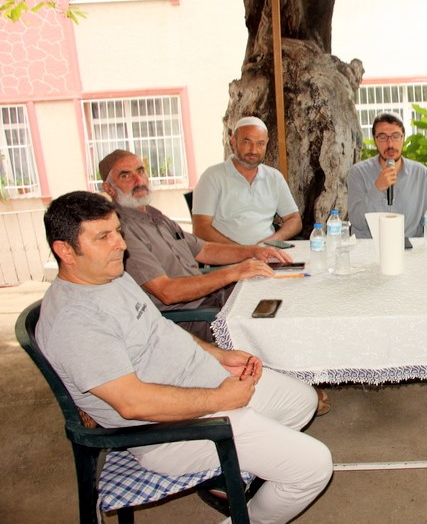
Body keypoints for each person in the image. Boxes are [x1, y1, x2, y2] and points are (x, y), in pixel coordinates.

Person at [37, 191, 332, 523]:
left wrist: (219, 356)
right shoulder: (75, 320)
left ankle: (233, 470)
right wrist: (221, 398)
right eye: (103, 236)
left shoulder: (111, 277)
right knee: (313, 467)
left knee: (302, 402)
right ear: (65, 250)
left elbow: (161, 327)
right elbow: (132, 403)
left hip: (205, 382)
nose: (120, 243)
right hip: (171, 429)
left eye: (118, 231)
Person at [99, 149, 290, 343]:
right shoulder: (121, 232)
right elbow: (167, 292)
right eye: (126, 176)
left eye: (140, 171)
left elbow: (204, 250)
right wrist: (234, 272)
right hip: (190, 319)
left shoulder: (156, 217)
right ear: (109, 188)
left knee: (280, 293)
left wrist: (255, 251)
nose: (138, 180)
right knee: (275, 327)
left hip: (211, 298)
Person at [192, 116, 302, 245]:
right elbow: (201, 229)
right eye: (246, 142)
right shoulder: (212, 177)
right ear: (233, 141)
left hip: (267, 255)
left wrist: (273, 241)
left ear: (267, 143)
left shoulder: (274, 177)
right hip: (229, 258)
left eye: (260, 143)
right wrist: (243, 252)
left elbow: (294, 220)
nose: (253, 150)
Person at [347, 112, 427, 239]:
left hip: (409, 248)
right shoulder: (358, 173)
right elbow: (357, 221)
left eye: (395, 136)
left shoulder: (420, 174)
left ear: (403, 138)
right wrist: (377, 189)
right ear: (374, 140)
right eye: (383, 137)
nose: (390, 144)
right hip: (370, 248)